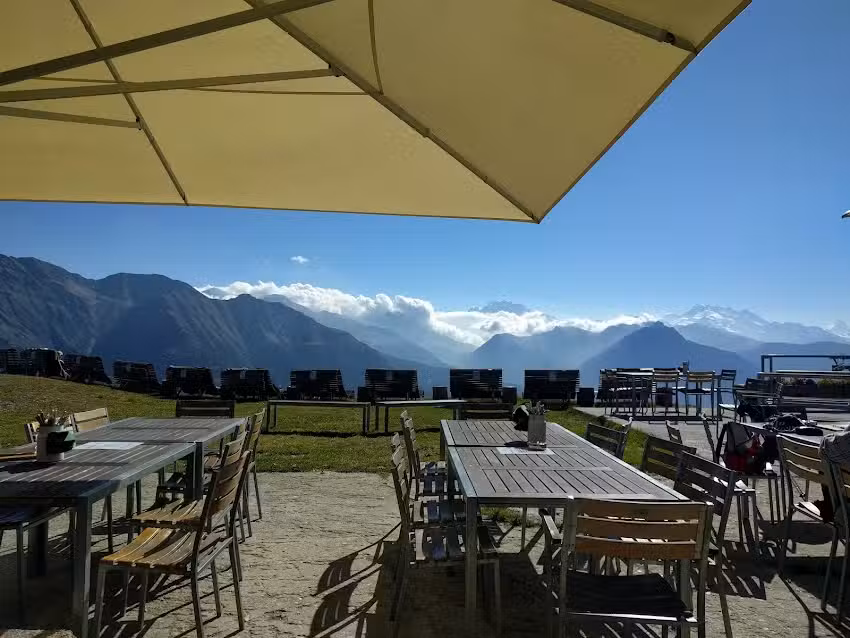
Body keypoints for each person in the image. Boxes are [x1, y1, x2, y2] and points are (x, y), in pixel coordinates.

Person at [816, 427, 850, 522]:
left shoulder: (830, 444)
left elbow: (826, 440)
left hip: (839, 503)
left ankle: (830, 505)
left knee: (828, 464)